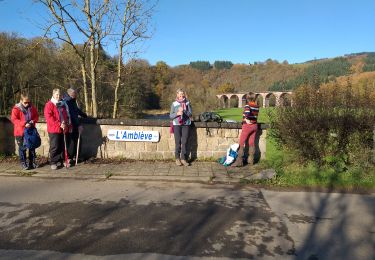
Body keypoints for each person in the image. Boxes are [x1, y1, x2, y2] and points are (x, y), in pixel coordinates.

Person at [44, 88, 71, 169]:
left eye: (59, 94)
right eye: (57, 94)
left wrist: (65, 123)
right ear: (53, 95)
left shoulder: (63, 104)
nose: (58, 96)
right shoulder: (49, 104)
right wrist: (59, 123)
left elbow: (66, 115)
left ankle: (63, 160)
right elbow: (49, 118)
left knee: (63, 145)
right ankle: (53, 162)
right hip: (54, 129)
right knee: (55, 146)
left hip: (63, 128)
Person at [11, 93, 39, 170]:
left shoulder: (32, 107)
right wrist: (24, 123)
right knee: (23, 148)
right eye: (25, 102)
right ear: (21, 101)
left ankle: (32, 162)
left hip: (30, 131)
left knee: (32, 147)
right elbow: (14, 119)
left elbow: (36, 116)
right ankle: (23, 163)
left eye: (28, 102)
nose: (27, 104)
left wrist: (33, 121)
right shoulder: (16, 108)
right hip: (20, 132)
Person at [231, 93, 259, 167]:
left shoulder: (247, 105)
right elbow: (254, 115)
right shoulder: (257, 106)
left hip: (247, 126)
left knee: (241, 143)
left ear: (247, 98)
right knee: (251, 143)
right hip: (255, 126)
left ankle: (239, 162)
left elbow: (247, 113)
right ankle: (251, 160)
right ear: (254, 98)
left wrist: (247, 120)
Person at [62, 88, 87, 164]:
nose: (76, 95)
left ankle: (74, 156)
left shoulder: (72, 101)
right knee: (70, 142)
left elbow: (76, 110)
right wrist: (78, 124)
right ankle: (69, 157)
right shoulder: (67, 101)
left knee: (76, 141)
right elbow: (71, 115)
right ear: (71, 94)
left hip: (74, 124)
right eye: (75, 94)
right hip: (70, 125)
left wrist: (83, 115)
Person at [169, 89, 193, 166]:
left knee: (184, 142)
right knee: (178, 142)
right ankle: (177, 158)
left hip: (186, 124)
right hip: (177, 124)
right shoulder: (174, 104)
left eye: (182, 94)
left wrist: (185, 110)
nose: (181, 95)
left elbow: (190, 114)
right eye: (179, 94)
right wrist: (177, 113)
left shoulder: (187, 102)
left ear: (184, 95)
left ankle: (183, 159)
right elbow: (171, 116)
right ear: (177, 95)